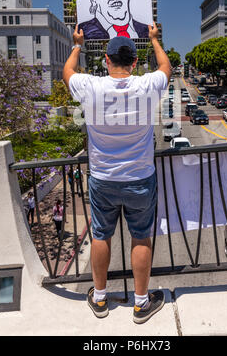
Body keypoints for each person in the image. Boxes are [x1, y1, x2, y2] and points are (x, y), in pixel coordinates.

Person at [63, 21, 171, 324]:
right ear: (134, 62)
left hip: (102, 179)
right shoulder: (146, 85)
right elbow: (165, 66)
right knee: (140, 238)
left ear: (106, 60)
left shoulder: (91, 86)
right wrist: (154, 40)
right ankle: (140, 304)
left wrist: (77, 44)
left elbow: (67, 72)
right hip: (139, 178)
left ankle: (99, 298)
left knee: (100, 236)